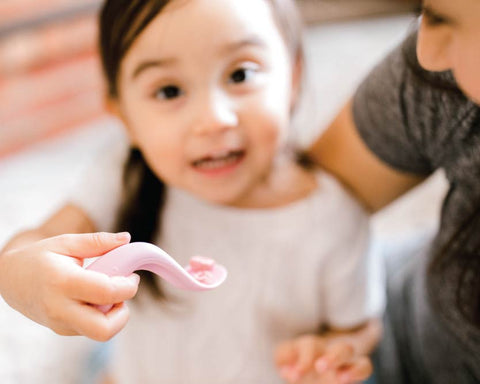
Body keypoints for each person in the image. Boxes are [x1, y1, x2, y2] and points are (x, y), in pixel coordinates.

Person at [0, 0, 384, 383]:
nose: (213, 119)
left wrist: (333, 353)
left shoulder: (333, 219)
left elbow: (359, 325)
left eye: (241, 74)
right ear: (123, 115)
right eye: (169, 91)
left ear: (293, 77)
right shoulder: (125, 176)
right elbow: (35, 242)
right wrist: (19, 275)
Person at [307, 0, 480, 383]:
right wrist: (354, 329)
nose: (426, 52)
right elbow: (314, 201)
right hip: (392, 314)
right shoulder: (445, 82)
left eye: (437, 18)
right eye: (426, 13)